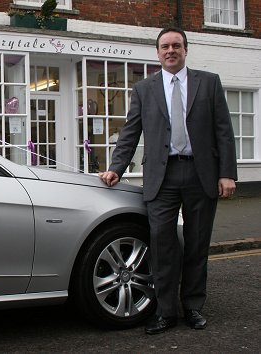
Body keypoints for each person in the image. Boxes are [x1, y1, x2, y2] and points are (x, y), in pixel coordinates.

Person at [99, 27, 237, 335]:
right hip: (162, 176)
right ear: (158, 52)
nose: (170, 50)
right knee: (162, 244)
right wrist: (116, 168)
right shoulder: (144, 89)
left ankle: (193, 306)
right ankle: (165, 311)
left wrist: (227, 173)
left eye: (176, 45)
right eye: (165, 46)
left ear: (186, 49)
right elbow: (130, 133)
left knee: (197, 244)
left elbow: (223, 131)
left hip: (202, 174)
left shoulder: (209, 83)